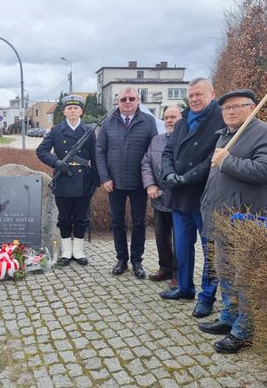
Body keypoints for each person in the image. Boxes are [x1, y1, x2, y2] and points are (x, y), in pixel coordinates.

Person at [198, 89, 267, 353]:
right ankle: (229, 318)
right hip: (220, 220)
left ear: (253, 107)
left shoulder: (264, 132)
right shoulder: (224, 135)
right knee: (225, 275)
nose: (231, 111)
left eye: (237, 106)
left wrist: (228, 161)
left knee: (244, 279)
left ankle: (244, 332)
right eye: (226, 108)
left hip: (245, 223)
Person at [160, 77, 225, 318]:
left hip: (203, 195)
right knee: (183, 246)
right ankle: (185, 287)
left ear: (212, 94)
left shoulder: (220, 120)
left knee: (210, 249)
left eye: (199, 94)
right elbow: (167, 152)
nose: (195, 99)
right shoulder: (182, 121)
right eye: (191, 96)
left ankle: (207, 296)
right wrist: (168, 174)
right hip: (179, 195)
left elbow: (213, 158)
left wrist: (186, 178)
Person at [96, 87, 158, 278]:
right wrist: (105, 178)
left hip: (140, 183)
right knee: (117, 222)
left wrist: (151, 182)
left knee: (139, 223)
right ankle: (121, 259)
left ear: (138, 100)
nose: (128, 102)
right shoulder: (108, 122)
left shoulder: (148, 121)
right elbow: (99, 151)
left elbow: (154, 151)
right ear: (118, 102)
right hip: (114, 183)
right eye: (124, 99)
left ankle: (137, 261)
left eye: (131, 98)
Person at [36, 95, 99, 265]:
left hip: (83, 180)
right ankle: (66, 252)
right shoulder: (56, 130)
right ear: (64, 111)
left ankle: (78, 252)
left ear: (81, 111)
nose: (72, 111)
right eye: (69, 108)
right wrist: (56, 162)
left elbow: (96, 156)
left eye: (76, 108)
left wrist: (96, 180)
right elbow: (41, 151)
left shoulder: (89, 131)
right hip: (63, 179)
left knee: (81, 217)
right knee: (64, 218)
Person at [141, 106, 181, 286]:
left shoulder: (186, 140)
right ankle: (164, 268)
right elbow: (146, 163)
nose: (169, 120)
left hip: (180, 198)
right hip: (158, 198)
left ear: (182, 118)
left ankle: (179, 274)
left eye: (173, 116)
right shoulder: (156, 140)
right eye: (166, 117)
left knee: (180, 238)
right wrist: (150, 184)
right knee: (161, 235)